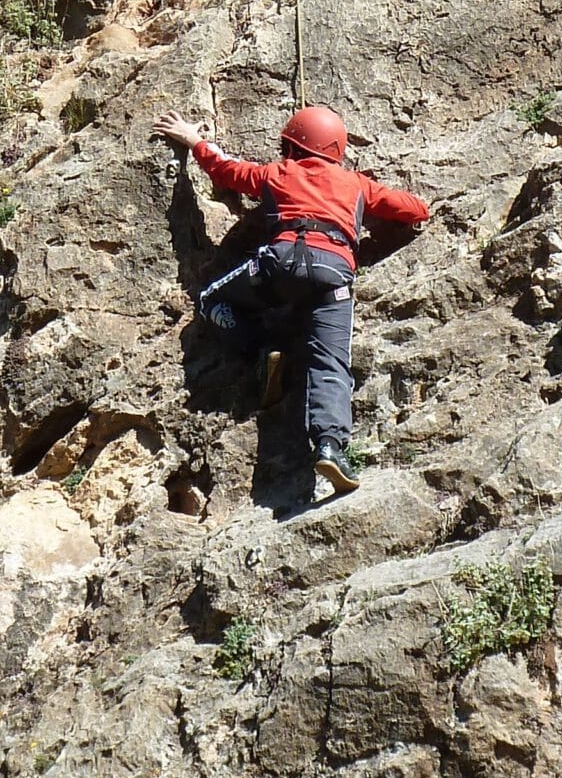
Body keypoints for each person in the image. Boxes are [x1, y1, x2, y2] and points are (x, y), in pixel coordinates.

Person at [155, 102, 429, 493]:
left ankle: (261, 349)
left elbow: (226, 170)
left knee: (212, 299)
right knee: (331, 363)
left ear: (292, 144)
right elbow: (412, 209)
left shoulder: (279, 172)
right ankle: (330, 447)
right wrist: (412, 207)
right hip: (334, 275)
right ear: (336, 149)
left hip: (281, 264)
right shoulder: (357, 184)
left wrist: (194, 139)